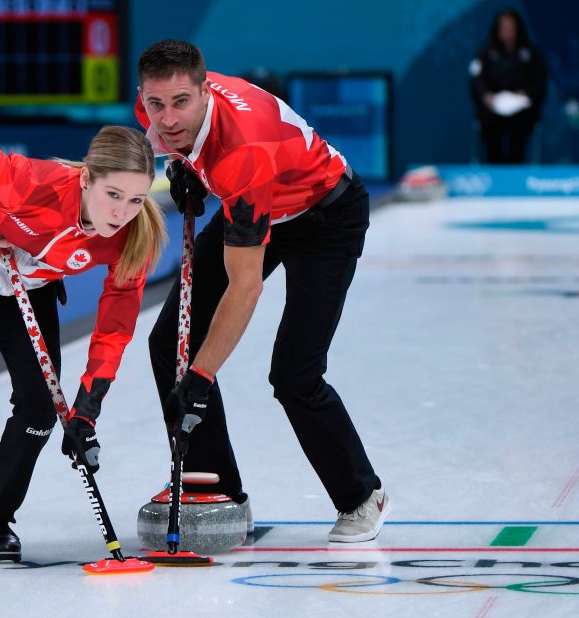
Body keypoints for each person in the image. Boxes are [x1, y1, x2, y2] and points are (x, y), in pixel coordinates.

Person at [135, 40, 389, 543]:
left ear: (205, 93)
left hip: (325, 217)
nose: (166, 118)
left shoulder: (242, 152)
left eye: (180, 103)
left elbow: (244, 287)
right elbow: (185, 142)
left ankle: (363, 494)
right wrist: (187, 168)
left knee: (294, 373)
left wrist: (202, 380)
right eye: (155, 104)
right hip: (256, 198)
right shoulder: (172, 100)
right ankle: (219, 491)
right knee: (171, 345)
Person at [0, 125, 166, 561]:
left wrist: (87, 412)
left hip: (28, 282)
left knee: (40, 406)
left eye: (136, 199)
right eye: (113, 195)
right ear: (86, 179)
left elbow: (114, 329)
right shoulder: (28, 181)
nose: (122, 212)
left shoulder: (133, 239)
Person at [469, 8, 548, 163]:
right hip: (493, 111)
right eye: (504, 28)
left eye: (511, 28)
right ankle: (495, 167)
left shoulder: (530, 53)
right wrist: (486, 96)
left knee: (522, 124)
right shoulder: (486, 52)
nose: (508, 32)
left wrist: (525, 94)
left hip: (522, 111)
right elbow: (476, 81)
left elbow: (540, 83)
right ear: (497, 30)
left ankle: (515, 168)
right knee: (488, 122)